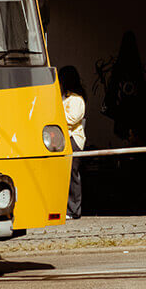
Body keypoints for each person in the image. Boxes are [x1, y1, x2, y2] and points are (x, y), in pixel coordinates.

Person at [59, 65, 87, 219]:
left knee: (72, 174)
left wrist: (57, 115)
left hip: (73, 140)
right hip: (61, 139)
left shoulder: (76, 99)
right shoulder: (61, 97)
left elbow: (71, 119)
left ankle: (74, 210)